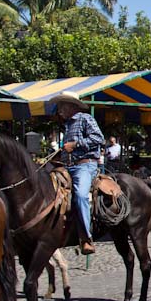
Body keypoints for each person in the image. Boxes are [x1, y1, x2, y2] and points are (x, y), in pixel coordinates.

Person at [49, 90, 105, 255]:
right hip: (68, 166)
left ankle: (86, 238)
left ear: (71, 106)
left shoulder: (85, 119)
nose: (59, 110)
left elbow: (99, 138)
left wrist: (75, 145)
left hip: (85, 166)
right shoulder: (67, 125)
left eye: (61, 106)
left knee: (80, 195)